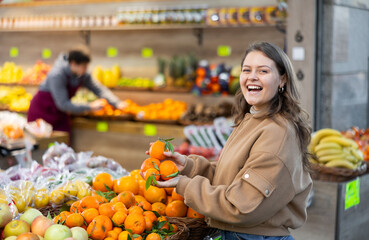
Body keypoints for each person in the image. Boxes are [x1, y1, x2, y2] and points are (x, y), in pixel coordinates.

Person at [155, 42, 313, 240]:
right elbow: (230, 177)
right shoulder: (254, 119)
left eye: (263, 71)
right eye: (246, 70)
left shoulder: (276, 133)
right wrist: (187, 166)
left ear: (282, 79)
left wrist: (185, 185)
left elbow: (241, 206)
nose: (252, 77)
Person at [27, 46, 125, 135]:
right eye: (84, 66)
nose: (86, 69)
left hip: (60, 115)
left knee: (62, 147)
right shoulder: (57, 75)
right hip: (42, 113)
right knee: (43, 148)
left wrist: (117, 103)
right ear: (73, 63)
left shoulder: (82, 74)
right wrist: (90, 107)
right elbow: (63, 104)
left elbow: (98, 89)